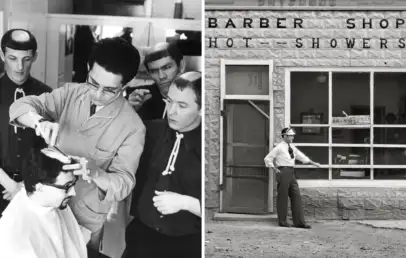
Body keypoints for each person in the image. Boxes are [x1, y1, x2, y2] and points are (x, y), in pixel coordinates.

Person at [9, 37, 146, 258]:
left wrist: (96, 172)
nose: (98, 94)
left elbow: (124, 183)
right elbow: (20, 106)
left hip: (85, 219)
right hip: (46, 207)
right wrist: (38, 121)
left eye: (110, 90)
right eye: (93, 83)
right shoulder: (71, 93)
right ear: (87, 68)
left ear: (126, 85)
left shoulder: (132, 126)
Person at [123, 71, 202, 258]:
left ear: (201, 108)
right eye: (169, 101)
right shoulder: (151, 131)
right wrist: (128, 108)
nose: (172, 111)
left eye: (182, 106)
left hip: (185, 245)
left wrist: (186, 202)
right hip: (141, 237)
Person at [0, 148, 88, 258]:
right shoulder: (16, 239)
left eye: (73, 184)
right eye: (67, 186)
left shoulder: (55, 202)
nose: (73, 193)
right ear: (39, 187)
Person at [0, 29, 51, 214]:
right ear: (2, 55)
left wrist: (28, 183)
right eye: (12, 58)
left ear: (35, 57)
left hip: (34, 188)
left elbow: (49, 146)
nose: (19, 67)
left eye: (26, 59)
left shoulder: (46, 94)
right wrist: (11, 186)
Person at [264, 127, 321, 229]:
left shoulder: (292, 147)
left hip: (291, 172)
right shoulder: (279, 147)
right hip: (283, 171)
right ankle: (282, 221)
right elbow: (268, 158)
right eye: (290, 136)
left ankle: (299, 222)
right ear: (284, 136)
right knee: (283, 197)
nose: (292, 137)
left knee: (296, 196)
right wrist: (274, 168)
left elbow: (300, 156)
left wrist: (313, 163)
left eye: (292, 136)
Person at [127, 41, 185, 120]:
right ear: (148, 73)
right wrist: (129, 111)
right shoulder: (139, 98)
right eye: (154, 71)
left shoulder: (198, 95)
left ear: (181, 66)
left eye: (167, 67)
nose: (161, 76)